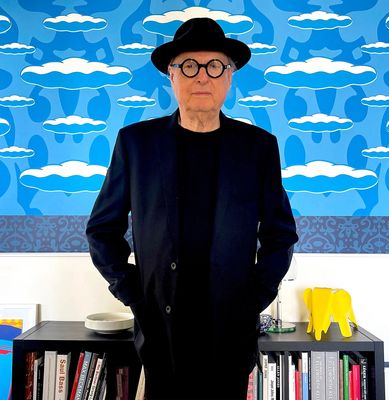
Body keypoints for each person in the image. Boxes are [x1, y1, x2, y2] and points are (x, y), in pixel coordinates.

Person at [86, 17, 298, 400]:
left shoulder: (258, 147)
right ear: (172, 75)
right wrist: (133, 293)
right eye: (189, 66)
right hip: (161, 327)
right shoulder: (136, 144)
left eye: (214, 66)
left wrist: (255, 297)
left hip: (231, 326)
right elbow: (102, 230)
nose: (202, 76)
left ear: (229, 77)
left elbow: (280, 234)